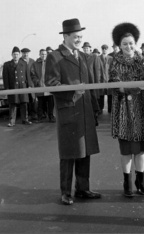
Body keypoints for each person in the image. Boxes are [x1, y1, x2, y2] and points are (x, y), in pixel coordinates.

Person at [45, 18, 101, 205]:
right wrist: (72, 90)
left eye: (81, 36)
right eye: (76, 37)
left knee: (85, 151)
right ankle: (66, 192)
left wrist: (95, 109)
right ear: (66, 36)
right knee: (69, 153)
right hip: (69, 109)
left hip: (84, 109)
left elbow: (90, 84)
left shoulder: (83, 56)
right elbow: (52, 84)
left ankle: (83, 189)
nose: (79, 40)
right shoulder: (55, 56)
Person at [109, 22, 144, 197]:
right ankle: (127, 183)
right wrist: (132, 88)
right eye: (125, 43)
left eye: (131, 43)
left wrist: (136, 87)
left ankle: (140, 182)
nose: (128, 46)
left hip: (142, 107)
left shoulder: (143, 60)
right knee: (127, 149)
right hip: (124, 109)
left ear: (135, 43)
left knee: (141, 147)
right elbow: (114, 85)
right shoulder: (115, 62)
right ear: (119, 46)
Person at [3, 46, 32, 126]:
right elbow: (5, 78)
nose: (16, 56)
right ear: (12, 55)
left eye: (17, 54)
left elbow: (27, 75)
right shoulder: (7, 64)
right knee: (13, 104)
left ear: (19, 55)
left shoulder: (24, 63)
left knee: (24, 103)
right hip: (13, 87)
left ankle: (25, 119)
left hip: (23, 86)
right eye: (14, 54)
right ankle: (12, 121)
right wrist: (7, 89)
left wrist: (29, 85)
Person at [30, 49, 55, 122]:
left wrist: (51, 82)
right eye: (42, 54)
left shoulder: (50, 63)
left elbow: (54, 73)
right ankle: (39, 117)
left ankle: (51, 117)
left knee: (51, 103)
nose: (43, 56)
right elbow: (32, 75)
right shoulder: (35, 64)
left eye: (45, 54)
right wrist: (37, 82)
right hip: (40, 86)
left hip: (49, 86)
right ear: (39, 55)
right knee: (40, 103)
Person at [21, 47, 38, 121]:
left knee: (33, 99)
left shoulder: (32, 61)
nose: (25, 54)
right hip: (24, 83)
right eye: (24, 53)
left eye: (27, 53)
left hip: (32, 83)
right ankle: (26, 116)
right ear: (22, 53)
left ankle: (33, 115)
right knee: (25, 100)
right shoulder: (20, 61)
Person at [98, 44, 113, 113]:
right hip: (101, 79)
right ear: (101, 49)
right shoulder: (98, 58)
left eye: (106, 48)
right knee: (101, 95)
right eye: (103, 48)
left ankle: (110, 109)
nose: (104, 50)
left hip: (109, 79)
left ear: (108, 49)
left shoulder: (111, 58)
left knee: (110, 95)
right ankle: (100, 109)